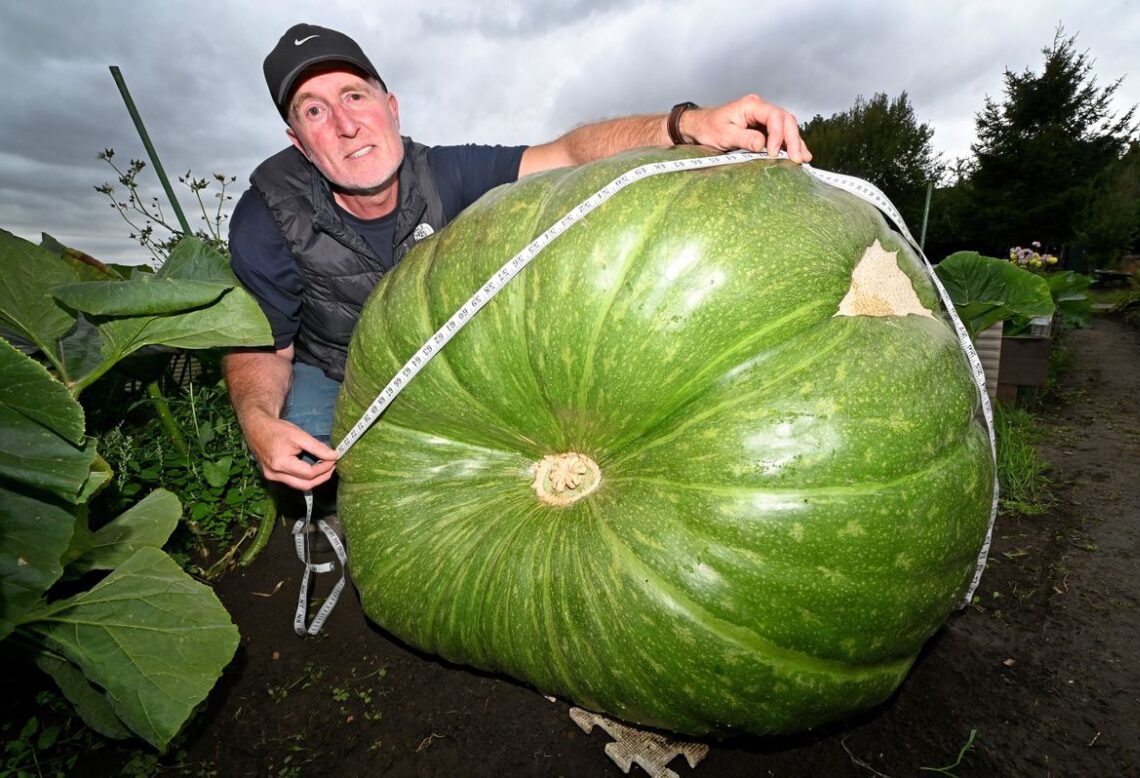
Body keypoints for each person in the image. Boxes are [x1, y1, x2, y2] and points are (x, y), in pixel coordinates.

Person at [224, 23, 812, 497]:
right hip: (340, 370)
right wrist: (257, 422)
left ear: (392, 107)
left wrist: (685, 124)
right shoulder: (266, 218)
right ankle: (331, 515)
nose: (347, 124)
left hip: (447, 364)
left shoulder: (448, 174)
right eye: (315, 110)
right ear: (298, 141)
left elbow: (570, 153)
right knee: (314, 452)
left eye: (354, 96)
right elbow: (262, 346)